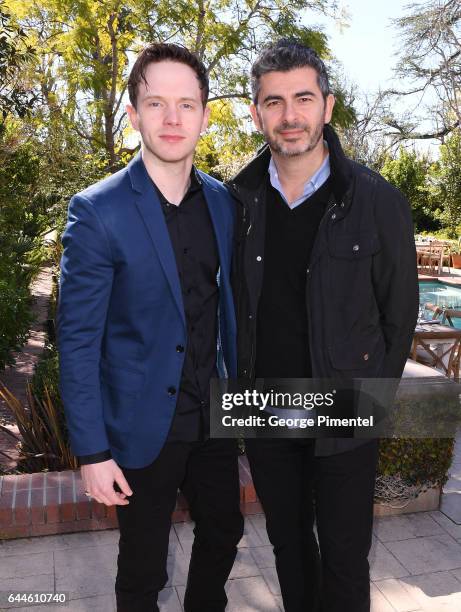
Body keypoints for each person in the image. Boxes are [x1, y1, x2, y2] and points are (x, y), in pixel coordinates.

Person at [228, 39, 418, 612]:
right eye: (275, 101)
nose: (290, 115)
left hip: (344, 405)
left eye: (303, 98)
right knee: (288, 546)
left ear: (327, 106)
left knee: (343, 553)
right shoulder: (236, 201)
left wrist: (370, 404)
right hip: (265, 406)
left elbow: (399, 312)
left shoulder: (378, 199)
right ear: (257, 112)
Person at [58, 42, 243, 612]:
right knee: (143, 567)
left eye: (186, 104)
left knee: (225, 532)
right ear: (134, 112)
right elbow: (79, 341)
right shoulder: (97, 211)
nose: (172, 118)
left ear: (205, 115)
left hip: (211, 417)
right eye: (156, 103)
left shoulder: (224, 202)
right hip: (140, 427)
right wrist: (91, 451)